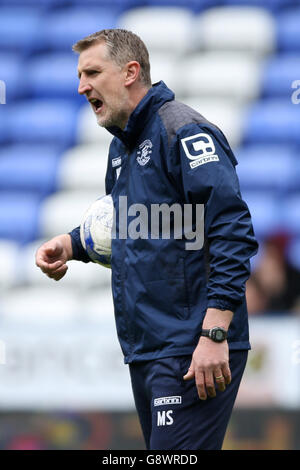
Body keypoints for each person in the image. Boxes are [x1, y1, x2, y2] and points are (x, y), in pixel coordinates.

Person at [35, 29, 258, 450]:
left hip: (192, 345)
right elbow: (139, 227)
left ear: (130, 72)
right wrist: (72, 244)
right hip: (150, 347)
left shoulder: (184, 132)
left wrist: (214, 333)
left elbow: (232, 230)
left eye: (92, 72)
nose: (82, 86)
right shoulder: (121, 148)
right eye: (80, 75)